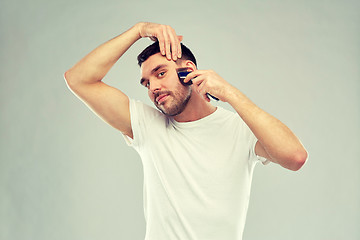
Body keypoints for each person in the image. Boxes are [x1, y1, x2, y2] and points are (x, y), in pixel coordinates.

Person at [64, 22, 308, 240]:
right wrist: (139, 30)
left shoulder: (239, 129)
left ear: (189, 71)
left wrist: (230, 93)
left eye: (161, 73)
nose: (154, 88)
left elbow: (295, 157)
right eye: (147, 83)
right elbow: (78, 79)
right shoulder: (147, 125)